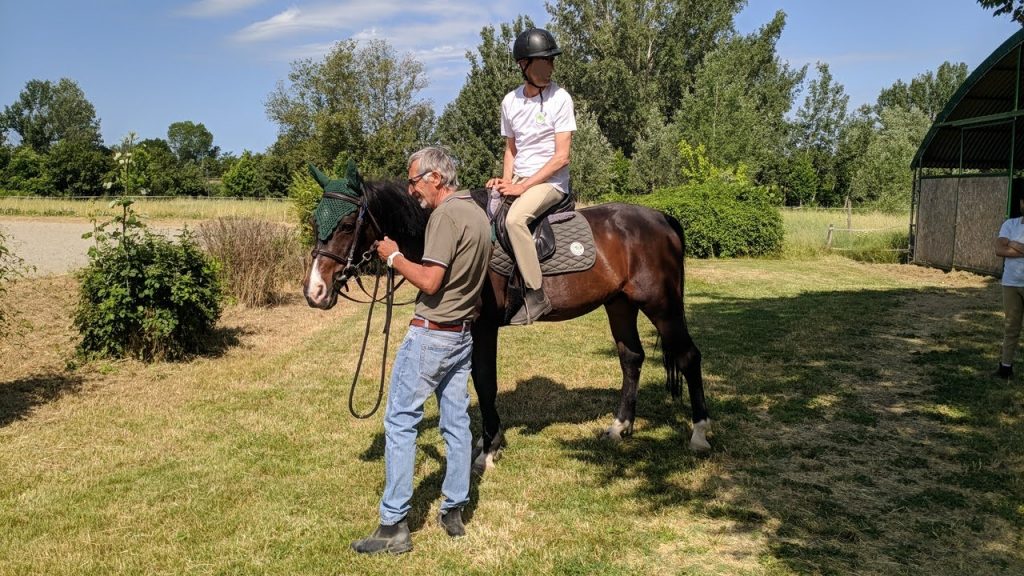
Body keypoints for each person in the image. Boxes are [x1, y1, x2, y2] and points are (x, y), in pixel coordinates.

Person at [351, 147, 491, 555]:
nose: (411, 190)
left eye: (414, 181)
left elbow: (430, 281)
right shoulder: (478, 215)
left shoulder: (444, 217)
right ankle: (454, 508)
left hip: (431, 335)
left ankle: (393, 524)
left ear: (435, 178)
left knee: (400, 423)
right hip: (462, 335)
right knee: (456, 423)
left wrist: (393, 256)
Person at [486, 27, 577, 325]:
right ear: (523, 66)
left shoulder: (560, 98)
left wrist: (523, 186)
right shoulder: (509, 102)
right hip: (521, 181)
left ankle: (537, 295)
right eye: (542, 62)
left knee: (514, 220)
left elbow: (562, 157)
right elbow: (511, 150)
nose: (549, 68)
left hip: (551, 184)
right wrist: (506, 181)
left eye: (551, 62)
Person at [995, 196, 1024, 379]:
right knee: (1011, 327)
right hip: (1011, 283)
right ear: (1021, 203)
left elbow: (1005, 247)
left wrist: (1011, 244)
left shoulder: (1010, 232)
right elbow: (999, 250)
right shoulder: (1010, 224)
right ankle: (1005, 368)